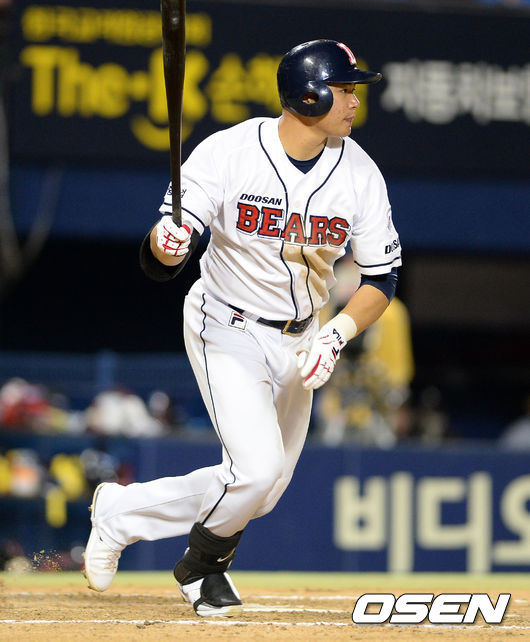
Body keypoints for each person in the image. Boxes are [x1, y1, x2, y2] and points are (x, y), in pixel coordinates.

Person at [83, 39, 402, 616]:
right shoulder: (229, 152)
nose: (356, 100)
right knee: (254, 472)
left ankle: (120, 513)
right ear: (309, 96)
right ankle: (203, 568)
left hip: (304, 336)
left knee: (263, 490)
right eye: (344, 89)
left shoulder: (360, 172)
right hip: (227, 324)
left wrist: (336, 333)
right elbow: (161, 258)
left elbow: (382, 278)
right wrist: (167, 243)